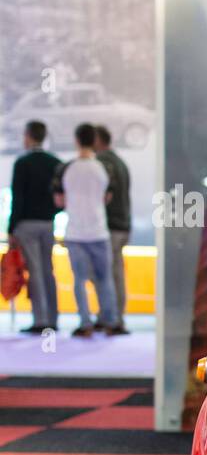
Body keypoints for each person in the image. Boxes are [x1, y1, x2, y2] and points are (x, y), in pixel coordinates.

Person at [53, 123, 122, 337]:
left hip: (74, 232)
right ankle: (110, 321)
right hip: (99, 230)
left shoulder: (66, 168)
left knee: (79, 280)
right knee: (105, 279)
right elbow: (107, 198)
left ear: (76, 140)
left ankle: (85, 323)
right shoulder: (103, 168)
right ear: (95, 141)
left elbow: (59, 201)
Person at [6, 121, 61, 333]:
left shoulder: (23, 163)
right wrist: (51, 215)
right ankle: (53, 319)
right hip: (48, 223)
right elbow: (59, 197)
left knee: (35, 271)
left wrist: (11, 227)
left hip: (26, 223)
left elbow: (17, 198)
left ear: (28, 136)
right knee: (48, 270)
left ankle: (40, 320)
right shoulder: (54, 162)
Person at [93, 124, 131, 331]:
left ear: (98, 140)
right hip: (121, 225)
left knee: (108, 274)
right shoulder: (119, 162)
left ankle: (113, 318)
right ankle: (111, 316)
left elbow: (106, 196)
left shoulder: (103, 163)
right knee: (113, 272)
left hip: (109, 227)